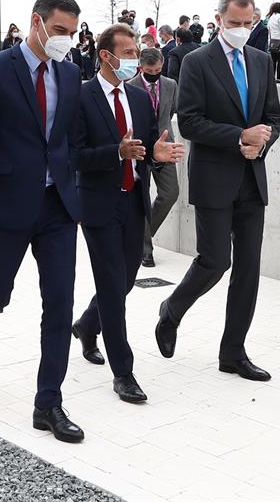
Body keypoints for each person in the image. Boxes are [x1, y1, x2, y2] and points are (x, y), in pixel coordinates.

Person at [0, 0, 86, 444]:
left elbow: (71, 142)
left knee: (60, 305)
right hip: (5, 212)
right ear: (35, 22)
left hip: (57, 210)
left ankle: (47, 403)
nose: (65, 41)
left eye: (72, 34)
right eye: (58, 31)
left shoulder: (71, 74)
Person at [155, 0, 280, 382]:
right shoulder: (197, 62)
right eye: (234, 24)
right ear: (219, 20)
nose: (242, 30)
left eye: (248, 24)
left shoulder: (261, 61)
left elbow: (273, 119)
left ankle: (233, 352)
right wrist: (238, 137)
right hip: (214, 176)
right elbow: (189, 121)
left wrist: (261, 142)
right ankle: (171, 310)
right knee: (215, 261)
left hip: (251, 177)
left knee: (248, 269)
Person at [71, 26, 184, 404]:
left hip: (134, 199)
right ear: (106, 55)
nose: (135, 58)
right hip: (99, 203)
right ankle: (124, 372)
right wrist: (116, 153)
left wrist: (157, 154)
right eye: (129, 51)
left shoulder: (137, 97)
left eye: (137, 50)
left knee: (126, 277)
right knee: (110, 283)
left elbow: (148, 145)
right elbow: (75, 156)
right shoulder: (81, 97)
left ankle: (87, 325)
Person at [129, 47, 179, 267]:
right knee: (141, 199)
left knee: (170, 193)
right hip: (140, 149)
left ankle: (141, 236)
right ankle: (145, 250)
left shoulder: (171, 85)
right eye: (150, 70)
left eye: (158, 70)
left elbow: (171, 112)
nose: (154, 74)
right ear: (141, 67)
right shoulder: (130, 87)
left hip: (165, 147)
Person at [265, 2, 280, 81]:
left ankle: (272, 78)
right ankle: (278, 78)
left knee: (273, 61)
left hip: (272, 42)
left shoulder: (271, 17)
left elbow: (269, 29)